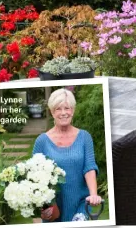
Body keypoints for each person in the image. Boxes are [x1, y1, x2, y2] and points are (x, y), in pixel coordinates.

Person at [32, 88, 102, 222]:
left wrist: (93, 195)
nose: (63, 113)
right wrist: (41, 206)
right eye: (58, 109)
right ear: (52, 112)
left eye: (67, 108)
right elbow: (34, 177)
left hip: (81, 205)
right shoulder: (42, 141)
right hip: (53, 209)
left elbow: (89, 167)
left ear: (73, 111)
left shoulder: (84, 137)